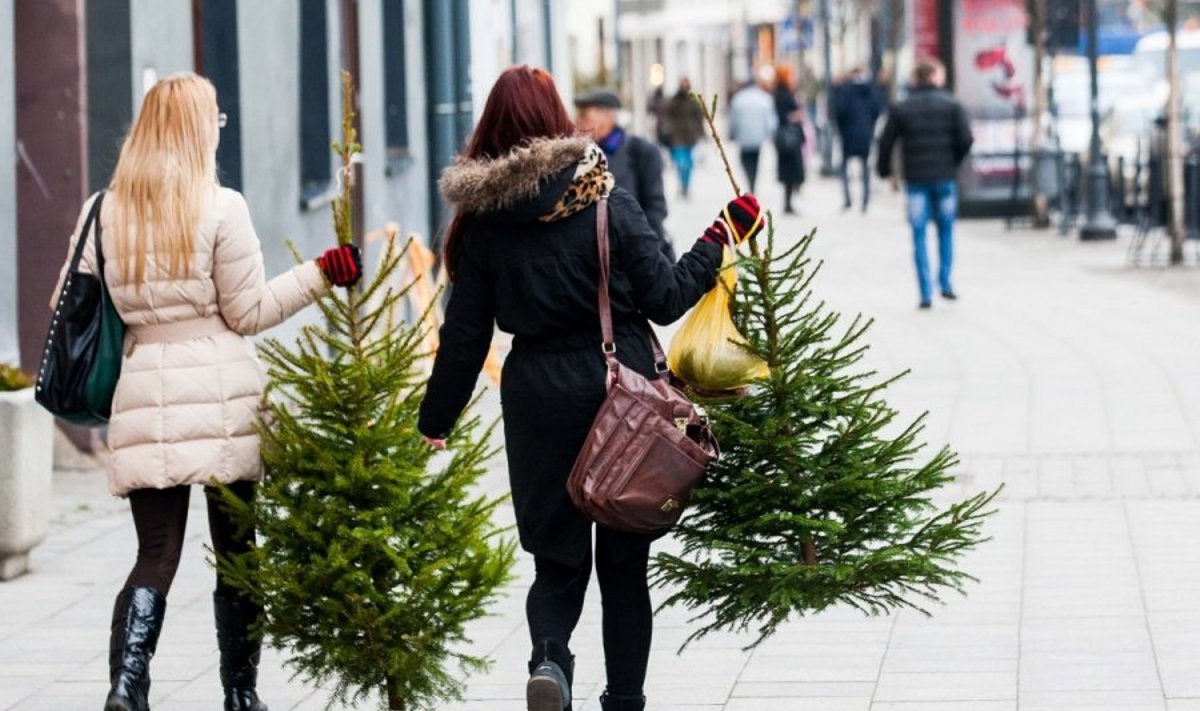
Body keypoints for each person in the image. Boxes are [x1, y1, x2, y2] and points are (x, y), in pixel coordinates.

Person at [417, 65, 763, 711]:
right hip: (621, 392)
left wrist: (436, 417)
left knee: (556, 561)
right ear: (558, 121)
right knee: (624, 567)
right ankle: (625, 700)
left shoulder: (484, 225)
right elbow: (664, 298)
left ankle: (551, 658)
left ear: (493, 128)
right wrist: (719, 237)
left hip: (536, 402)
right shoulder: (605, 199)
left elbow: (463, 337)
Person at [51, 73, 362, 711]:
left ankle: (126, 686)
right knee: (237, 553)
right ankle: (241, 695)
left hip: (143, 391)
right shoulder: (221, 207)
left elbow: (69, 304)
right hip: (223, 396)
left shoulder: (101, 210)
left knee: (156, 551)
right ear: (199, 128)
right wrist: (320, 273)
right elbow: (247, 312)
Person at [877, 58, 974, 309]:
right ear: (935, 77)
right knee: (946, 230)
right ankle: (945, 281)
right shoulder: (952, 105)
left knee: (918, 234)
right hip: (944, 177)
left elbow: (885, 142)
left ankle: (925, 291)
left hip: (916, 179)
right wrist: (954, 161)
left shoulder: (902, 108)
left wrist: (885, 170)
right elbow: (966, 139)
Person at [574, 89, 671, 256]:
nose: (577, 121)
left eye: (584, 115)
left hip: (635, 254)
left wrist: (642, 251)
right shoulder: (579, 155)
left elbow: (655, 209)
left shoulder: (642, 152)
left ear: (608, 117)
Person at [834, 66, 883, 212]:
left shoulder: (845, 90)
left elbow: (839, 112)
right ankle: (865, 200)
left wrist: (841, 129)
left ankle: (848, 199)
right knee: (865, 167)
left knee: (844, 166)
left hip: (848, 133)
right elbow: (876, 110)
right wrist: (869, 126)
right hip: (865, 133)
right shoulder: (870, 90)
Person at [729, 66, 778, 193]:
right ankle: (752, 182)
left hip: (743, 137)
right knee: (755, 161)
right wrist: (770, 133)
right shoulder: (764, 98)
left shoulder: (738, 99)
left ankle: (750, 180)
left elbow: (733, 119)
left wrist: (732, 133)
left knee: (745, 160)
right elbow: (770, 119)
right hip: (758, 137)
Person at [772, 66, 807, 214]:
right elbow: (782, 116)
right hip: (788, 138)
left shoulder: (785, 93)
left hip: (790, 137)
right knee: (790, 171)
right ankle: (788, 203)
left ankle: (789, 202)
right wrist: (796, 116)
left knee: (792, 171)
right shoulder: (782, 94)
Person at [665, 78, 706, 198]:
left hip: (690, 137)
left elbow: (699, 118)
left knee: (688, 164)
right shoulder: (674, 100)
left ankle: (686, 186)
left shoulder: (693, 100)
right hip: (677, 136)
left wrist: (701, 133)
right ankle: (682, 185)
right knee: (680, 163)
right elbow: (668, 117)